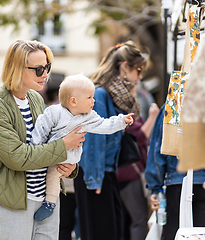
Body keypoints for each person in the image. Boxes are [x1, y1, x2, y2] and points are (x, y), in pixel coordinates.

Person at [0, 39, 85, 240]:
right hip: (14, 202)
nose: (45, 74)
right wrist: (63, 145)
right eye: (38, 69)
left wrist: (68, 167)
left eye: (47, 67)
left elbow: (47, 141)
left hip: (47, 200)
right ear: (17, 68)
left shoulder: (35, 98)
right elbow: (17, 157)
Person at [31, 73, 134, 221]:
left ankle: (50, 203)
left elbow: (104, 125)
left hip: (69, 160)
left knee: (54, 177)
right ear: (73, 101)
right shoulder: (55, 112)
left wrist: (121, 121)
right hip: (50, 153)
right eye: (89, 97)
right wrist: (36, 145)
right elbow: (42, 128)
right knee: (49, 177)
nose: (93, 100)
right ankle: (47, 202)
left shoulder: (89, 116)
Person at [73, 40, 147, 240]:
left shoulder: (114, 96)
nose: (140, 76)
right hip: (95, 175)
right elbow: (95, 141)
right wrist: (95, 180)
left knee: (111, 230)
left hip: (106, 173)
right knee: (101, 232)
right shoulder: (100, 94)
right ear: (124, 68)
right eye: (138, 70)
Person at [145, 105, 205, 240]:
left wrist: (155, 186)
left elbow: (157, 148)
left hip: (177, 180)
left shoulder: (172, 105)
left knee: (174, 231)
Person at [116, 76, 159, 240]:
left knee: (126, 220)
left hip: (123, 173)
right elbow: (139, 137)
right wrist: (153, 116)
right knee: (139, 220)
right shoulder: (126, 112)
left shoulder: (120, 109)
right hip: (129, 173)